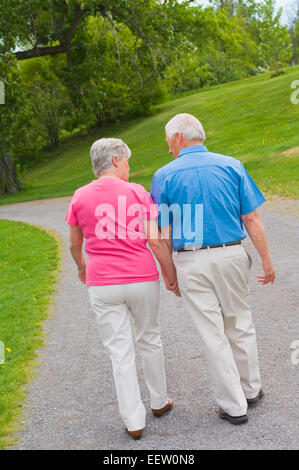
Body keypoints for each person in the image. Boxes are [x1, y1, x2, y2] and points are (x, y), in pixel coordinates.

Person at [150, 113, 275, 425]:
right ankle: (251, 389)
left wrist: (170, 273)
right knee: (240, 322)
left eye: (168, 141)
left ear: (178, 137)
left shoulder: (164, 176)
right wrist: (266, 260)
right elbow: (252, 218)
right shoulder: (231, 165)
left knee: (212, 333)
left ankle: (234, 406)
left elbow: (162, 233)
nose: (168, 148)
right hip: (231, 253)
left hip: (190, 260)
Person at [65, 137, 177, 439]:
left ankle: (133, 421)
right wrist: (170, 274)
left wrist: (81, 267)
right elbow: (154, 239)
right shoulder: (137, 192)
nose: (129, 166)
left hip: (103, 283)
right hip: (141, 278)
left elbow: (76, 244)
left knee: (120, 351)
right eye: (127, 160)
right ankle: (158, 401)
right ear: (116, 161)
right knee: (149, 338)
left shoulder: (80, 196)